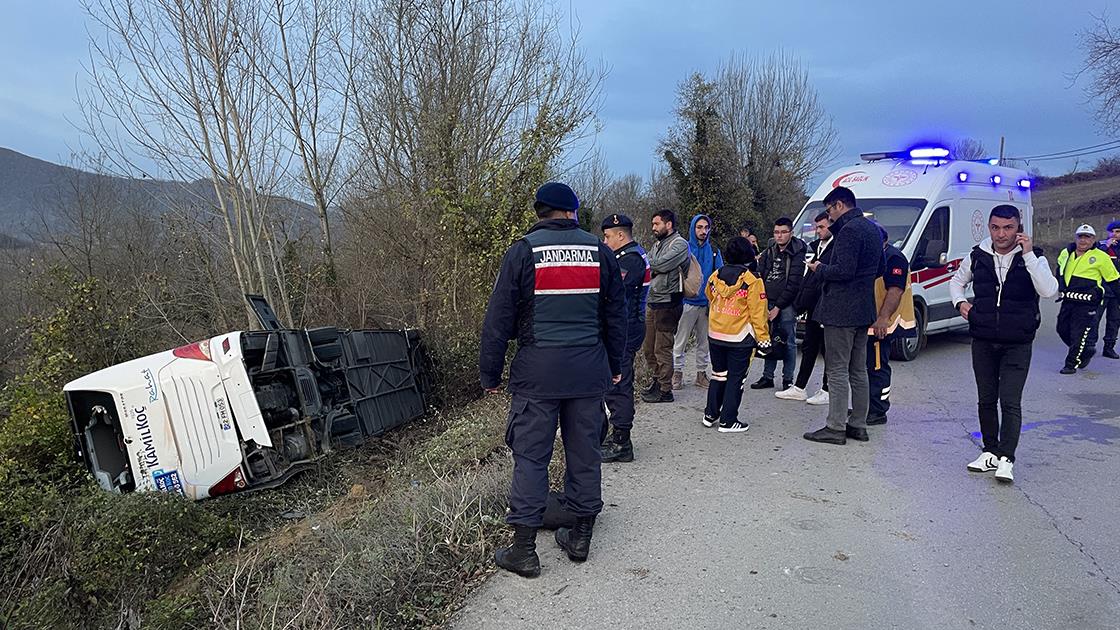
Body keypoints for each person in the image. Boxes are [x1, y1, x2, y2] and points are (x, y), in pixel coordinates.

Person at [480, 182, 626, 577]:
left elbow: (498, 320)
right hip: (587, 371)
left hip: (536, 374)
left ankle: (524, 551)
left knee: (530, 458)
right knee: (585, 452)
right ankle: (579, 538)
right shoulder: (600, 251)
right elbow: (616, 317)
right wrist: (616, 365)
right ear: (573, 212)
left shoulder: (523, 251)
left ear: (540, 212)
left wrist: (490, 373)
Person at [950, 204, 1059, 483]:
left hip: (1017, 341)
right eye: (996, 227)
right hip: (983, 338)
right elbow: (956, 282)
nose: (1001, 234)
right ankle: (989, 452)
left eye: (1008, 228)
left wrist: (1029, 255)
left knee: (1010, 401)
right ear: (989, 227)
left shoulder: (1034, 258)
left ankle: (1006, 458)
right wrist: (960, 303)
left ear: (1018, 228)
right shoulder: (978, 256)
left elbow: (1049, 290)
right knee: (986, 399)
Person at [803, 186, 881, 445]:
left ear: (839, 205)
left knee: (836, 369)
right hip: (863, 309)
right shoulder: (872, 228)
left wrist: (819, 268)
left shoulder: (848, 231)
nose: (829, 216)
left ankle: (835, 427)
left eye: (829, 210)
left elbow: (843, 270)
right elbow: (879, 268)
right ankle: (858, 423)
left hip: (841, 310)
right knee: (859, 369)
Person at [702, 237, 770, 432]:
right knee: (736, 379)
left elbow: (709, 295)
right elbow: (758, 313)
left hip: (716, 334)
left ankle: (710, 414)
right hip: (740, 338)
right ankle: (728, 421)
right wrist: (764, 340)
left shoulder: (716, 275)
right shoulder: (752, 280)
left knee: (718, 375)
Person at [601, 213, 650, 463]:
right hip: (628, 326)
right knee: (614, 382)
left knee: (619, 383)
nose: (606, 242)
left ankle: (622, 441)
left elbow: (613, 295)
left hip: (627, 329)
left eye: (608, 236)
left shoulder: (629, 261)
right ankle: (614, 433)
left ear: (621, 235)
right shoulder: (631, 255)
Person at [777, 211, 832, 405]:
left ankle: (827, 389)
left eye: (822, 227)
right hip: (813, 306)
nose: (817, 231)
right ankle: (799, 387)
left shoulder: (836, 247)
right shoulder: (815, 247)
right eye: (816, 227)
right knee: (809, 346)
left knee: (828, 350)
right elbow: (809, 278)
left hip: (827, 306)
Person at [864, 223, 916, 425]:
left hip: (884, 323)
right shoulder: (880, 254)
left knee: (878, 367)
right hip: (872, 320)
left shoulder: (894, 258)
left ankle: (878, 410)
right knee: (868, 366)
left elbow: (895, 290)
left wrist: (883, 318)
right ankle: (868, 404)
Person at [1055, 224, 1120, 374]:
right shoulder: (1067, 252)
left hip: (1089, 302)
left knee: (1079, 333)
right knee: (1062, 329)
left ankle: (1071, 364)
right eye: (1080, 236)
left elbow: (1113, 280)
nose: (1083, 240)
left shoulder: (1101, 256)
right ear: (1076, 238)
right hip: (1069, 299)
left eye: (1087, 237)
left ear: (1093, 239)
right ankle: (1085, 351)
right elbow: (1059, 270)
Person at [642, 209, 690, 403]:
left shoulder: (679, 244)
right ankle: (657, 379)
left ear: (668, 224)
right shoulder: (658, 244)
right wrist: (651, 265)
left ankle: (665, 389)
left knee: (662, 348)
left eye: (656, 224)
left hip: (668, 302)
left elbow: (660, 264)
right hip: (653, 300)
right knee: (648, 348)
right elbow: (651, 264)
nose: (653, 228)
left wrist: (650, 264)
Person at [672, 214, 724, 390]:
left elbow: (720, 276)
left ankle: (701, 374)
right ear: (693, 228)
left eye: (706, 227)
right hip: (686, 302)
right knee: (680, 340)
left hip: (707, 304)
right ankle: (676, 374)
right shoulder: (683, 249)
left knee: (704, 342)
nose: (703, 231)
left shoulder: (715, 251)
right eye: (699, 227)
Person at [755, 217, 806, 392]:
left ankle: (788, 380)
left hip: (787, 304)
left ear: (791, 233)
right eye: (777, 232)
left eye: (784, 232)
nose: (780, 236)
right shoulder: (769, 251)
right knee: (769, 339)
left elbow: (794, 284)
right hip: (767, 300)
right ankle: (767, 376)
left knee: (789, 341)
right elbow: (759, 274)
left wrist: (778, 307)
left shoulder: (798, 252)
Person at [1094, 220, 1120, 359]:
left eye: (1118, 231)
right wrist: (1105, 248)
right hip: (1102, 290)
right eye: (1112, 232)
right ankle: (1089, 347)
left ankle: (1109, 348)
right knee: (1094, 319)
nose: (1115, 235)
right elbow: (1094, 261)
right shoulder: (1100, 246)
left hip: (1117, 292)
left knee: (1114, 320)